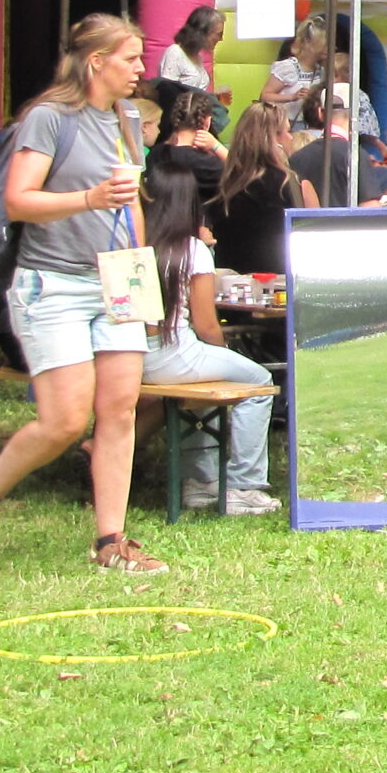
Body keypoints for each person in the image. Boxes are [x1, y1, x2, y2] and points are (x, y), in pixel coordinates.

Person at [0, 13, 164, 575]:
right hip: (53, 284)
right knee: (64, 422)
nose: (141, 69)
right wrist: (89, 198)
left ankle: (111, 541)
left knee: (120, 410)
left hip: (115, 281)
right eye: (131, 58)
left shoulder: (127, 118)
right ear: (96, 61)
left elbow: (130, 203)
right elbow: (19, 201)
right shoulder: (48, 118)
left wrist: (139, 277)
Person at [134, 164, 278, 514]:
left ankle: (200, 481)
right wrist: (222, 351)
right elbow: (206, 325)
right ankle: (243, 484)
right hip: (176, 352)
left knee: (207, 382)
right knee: (260, 382)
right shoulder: (192, 249)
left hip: (135, 356)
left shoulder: (136, 243)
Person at [210, 103, 316, 276]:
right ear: (273, 139)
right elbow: (312, 241)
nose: (290, 137)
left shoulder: (222, 182)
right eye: (286, 131)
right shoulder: (293, 184)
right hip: (281, 282)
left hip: (231, 283)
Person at [291, 91, 387, 207]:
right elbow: (369, 208)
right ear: (355, 116)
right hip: (347, 219)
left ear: (320, 113)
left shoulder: (296, 157)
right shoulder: (355, 155)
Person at [146, 86, 227, 201]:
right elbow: (242, 174)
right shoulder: (208, 164)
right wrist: (216, 145)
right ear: (207, 122)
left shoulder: (155, 154)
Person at [260, 16, 327, 133]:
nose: (330, 48)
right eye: (325, 45)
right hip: (287, 124)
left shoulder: (321, 70)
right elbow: (265, 96)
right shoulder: (288, 68)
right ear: (310, 44)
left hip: (312, 124)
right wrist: (292, 97)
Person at [157, 6, 223, 96]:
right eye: (219, 34)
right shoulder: (175, 53)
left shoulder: (198, 57)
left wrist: (213, 98)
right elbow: (167, 92)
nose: (221, 39)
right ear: (203, 33)